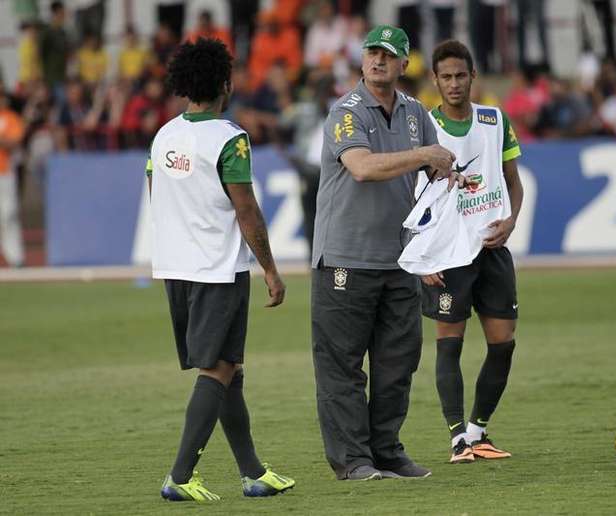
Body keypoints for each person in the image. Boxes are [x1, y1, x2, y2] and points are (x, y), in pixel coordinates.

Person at [147, 38, 295, 502]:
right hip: (217, 268)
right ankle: (180, 475)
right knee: (217, 369)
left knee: (231, 369)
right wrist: (270, 269)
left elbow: (156, 186)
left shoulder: (164, 135)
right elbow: (246, 210)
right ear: (226, 84)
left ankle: (253, 472)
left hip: (176, 267)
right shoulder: (230, 138)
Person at [311, 24, 460, 481]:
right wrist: (424, 157)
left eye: (388, 55)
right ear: (363, 59)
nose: (378, 60)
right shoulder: (347, 112)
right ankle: (353, 460)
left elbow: (438, 169)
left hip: (399, 260)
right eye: (372, 52)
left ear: (403, 64)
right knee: (344, 368)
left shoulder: (416, 113)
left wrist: (446, 179)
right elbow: (361, 168)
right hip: (345, 258)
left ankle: (387, 451)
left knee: (397, 364)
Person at [417, 39, 524, 464]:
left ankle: (479, 431)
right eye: (446, 76)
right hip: (447, 255)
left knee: (504, 342)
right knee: (450, 344)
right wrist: (422, 256)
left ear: (473, 76)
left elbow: (513, 180)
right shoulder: (425, 128)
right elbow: (413, 198)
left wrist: (511, 220)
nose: (455, 84)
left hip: (491, 249)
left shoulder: (495, 120)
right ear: (435, 80)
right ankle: (457, 438)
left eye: (462, 75)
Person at [0, 88, 25, 268]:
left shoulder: (10, 118)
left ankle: (15, 258)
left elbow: (14, 142)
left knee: (8, 214)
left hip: (4, 173)